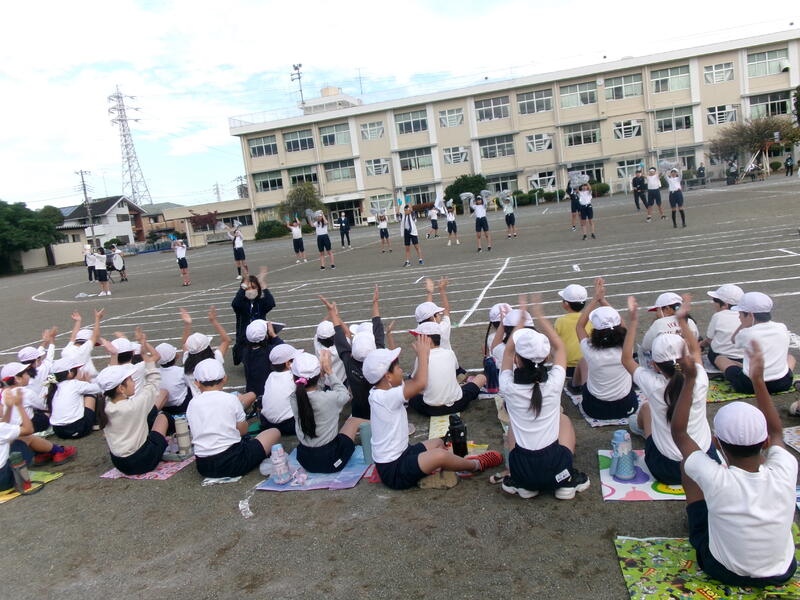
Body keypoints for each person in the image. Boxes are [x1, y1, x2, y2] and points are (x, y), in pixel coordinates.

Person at [671, 340, 797, 588]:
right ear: (764, 442)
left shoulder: (717, 478)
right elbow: (777, 433)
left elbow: (680, 433)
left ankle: (696, 522)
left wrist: (689, 380)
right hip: (783, 571)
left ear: (717, 444)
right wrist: (758, 381)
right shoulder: (787, 467)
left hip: (724, 571)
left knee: (688, 465)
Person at [364, 339, 503, 490]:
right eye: (398, 368)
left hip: (403, 453)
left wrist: (421, 358)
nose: (401, 370)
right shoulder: (385, 397)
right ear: (388, 376)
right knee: (440, 456)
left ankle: (438, 467)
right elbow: (419, 383)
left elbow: (412, 381)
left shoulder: (382, 391)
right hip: (394, 470)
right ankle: (475, 465)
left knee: (437, 443)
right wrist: (423, 356)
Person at [499, 294, 591, 500]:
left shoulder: (508, 386)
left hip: (521, 470)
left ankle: (524, 486)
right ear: (547, 358)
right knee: (563, 419)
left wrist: (520, 322)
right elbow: (560, 347)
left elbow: (507, 354)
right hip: (556, 468)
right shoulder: (554, 383)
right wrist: (540, 316)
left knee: (513, 426)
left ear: (517, 360)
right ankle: (565, 483)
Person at [623, 296, 717, 485]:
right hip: (705, 466)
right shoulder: (699, 376)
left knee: (648, 409)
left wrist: (633, 322)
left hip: (667, 469)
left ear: (655, 365)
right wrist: (682, 320)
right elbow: (696, 351)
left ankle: (639, 428)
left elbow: (626, 359)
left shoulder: (653, 383)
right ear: (686, 358)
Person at [187, 359, 281, 478]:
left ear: (197, 383)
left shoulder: (192, 404)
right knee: (274, 432)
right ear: (225, 379)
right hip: (234, 462)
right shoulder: (230, 399)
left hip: (204, 466)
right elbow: (243, 430)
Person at [95, 336, 175, 476]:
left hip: (119, 463)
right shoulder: (134, 405)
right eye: (130, 379)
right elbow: (153, 384)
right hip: (142, 461)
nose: (133, 382)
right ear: (121, 388)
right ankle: (178, 439)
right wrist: (148, 361)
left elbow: (109, 379)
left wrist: (113, 355)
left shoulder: (105, 403)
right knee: (163, 417)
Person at [321, 286, 391, 421]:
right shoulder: (379, 359)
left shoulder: (349, 362)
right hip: (379, 409)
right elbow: (378, 329)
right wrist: (375, 303)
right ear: (374, 349)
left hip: (359, 411)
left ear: (352, 352)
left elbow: (339, 335)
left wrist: (332, 313)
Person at [571, 280, 637, 420]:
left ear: (595, 330)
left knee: (583, 362)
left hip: (595, 409)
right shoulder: (627, 347)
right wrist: (603, 300)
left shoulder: (589, 350)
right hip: (626, 407)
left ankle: (574, 386)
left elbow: (579, 326)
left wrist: (595, 299)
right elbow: (623, 325)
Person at [289, 351, 363, 473]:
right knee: (353, 421)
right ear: (319, 374)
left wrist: (321, 376)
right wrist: (329, 371)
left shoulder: (294, 398)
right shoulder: (329, 398)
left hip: (305, 459)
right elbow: (345, 395)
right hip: (331, 459)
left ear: (293, 378)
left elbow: (313, 393)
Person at [715, 292, 795, 395]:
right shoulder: (781, 327)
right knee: (790, 357)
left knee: (720, 359)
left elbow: (734, 340)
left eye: (740, 314)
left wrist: (743, 325)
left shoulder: (747, 333)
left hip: (751, 385)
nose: (739, 317)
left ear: (750, 315)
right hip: (782, 384)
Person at [1, 363, 77, 466]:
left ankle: (41, 452)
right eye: (26, 373)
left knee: (19, 435)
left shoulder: (4, 393)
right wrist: (19, 405)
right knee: (28, 435)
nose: (28, 375)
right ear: (17, 378)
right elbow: (42, 408)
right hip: (26, 427)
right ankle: (58, 451)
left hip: (12, 430)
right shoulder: (25, 392)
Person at [407, 321, 486, 416]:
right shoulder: (449, 353)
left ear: (428, 340)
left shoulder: (421, 358)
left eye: (417, 339)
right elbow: (456, 370)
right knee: (481, 377)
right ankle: (459, 387)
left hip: (431, 409)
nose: (416, 342)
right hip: (458, 404)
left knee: (409, 390)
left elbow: (416, 384)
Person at [47, 354, 101, 440]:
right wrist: (88, 382)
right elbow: (99, 389)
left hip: (58, 431)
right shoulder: (75, 384)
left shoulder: (55, 387)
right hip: (77, 429)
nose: (79, 371)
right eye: (77, 370)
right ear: (70, 373)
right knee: (90, 394)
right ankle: (95, 423)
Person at [230, 266, 276, 365]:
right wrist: (244, 285)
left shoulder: (260, 302)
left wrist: (264, 286)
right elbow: (235, 304)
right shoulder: (241, 304)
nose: (250, 290)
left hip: (261, 338)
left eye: (254, 287)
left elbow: (271, 303)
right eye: (248, 288)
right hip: (244, 339)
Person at [260, 344, 300, 435]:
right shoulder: (293, 377)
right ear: (288, 364)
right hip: (289, 424)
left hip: (266, 423)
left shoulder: (271, 376)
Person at [701, 284, 745, 369]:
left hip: (721, 357)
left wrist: (700, 345)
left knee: (712, 349)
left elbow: (709, 340)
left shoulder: (718, 316)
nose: (714, 303)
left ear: (725, 305)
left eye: (715, 300)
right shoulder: (746, 316)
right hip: (744, 359)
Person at [0, 389, 35, 491]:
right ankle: (58, 451)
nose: (2, 406)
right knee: (24, 440)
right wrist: (19, 405)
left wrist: (9, 408)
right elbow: (29, 430)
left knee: (11, 441)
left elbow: (4, 425)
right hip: (3, 480)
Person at [240, 319, 284, 400]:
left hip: (252, 392)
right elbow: (284, 349)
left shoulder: (245, 352)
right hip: (268, 393)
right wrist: (273, 335)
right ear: (266, 335)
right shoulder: (270, 351)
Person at [554, 284, 590, 380]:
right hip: (587, 364)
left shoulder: (560, 321)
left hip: (567, 366)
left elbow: (555, 343)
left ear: (566, 304)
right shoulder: (590, 320)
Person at [154, 343, 192, 415]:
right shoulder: (181, 371)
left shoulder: (155, 373)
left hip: (163, 406)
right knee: (191, 386)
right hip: (181, 406)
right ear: (175, 357)